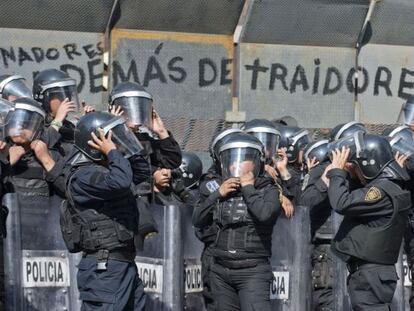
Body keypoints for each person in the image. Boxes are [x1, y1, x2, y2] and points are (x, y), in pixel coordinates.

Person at [55, 112, 146, 310]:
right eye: (112, 139)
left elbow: (142, 174)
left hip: (123, 266)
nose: (117, 145)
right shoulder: (84, 176)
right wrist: (112, 152)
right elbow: (121, 181)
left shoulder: (109, 171)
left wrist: (129, 142)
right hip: (104, 271)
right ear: (95, 144)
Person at [323, 133, 411, 311]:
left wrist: (337, 172)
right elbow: (358, 196)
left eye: (356, 167)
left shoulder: (381, 193)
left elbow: (342, 203)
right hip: (374, 274)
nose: (354, 171)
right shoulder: (391, 188)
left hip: (370, 275)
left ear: (369, 165)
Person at [193, 132, 281, 311]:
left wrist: (248, 187)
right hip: (220, 270)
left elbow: (264, 214)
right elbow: (198, 219)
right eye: (232, 159)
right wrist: (217, 194)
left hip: (252, 271)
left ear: (256, 162)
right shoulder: (221, 188)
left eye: (243, 160)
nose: (236, 165)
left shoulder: (267, 189)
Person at [300, 139, 334, 311]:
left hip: (351, 246)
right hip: (325, 247)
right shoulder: (321, 171)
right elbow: (305, 201)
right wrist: (323, 182)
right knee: (327, 299)